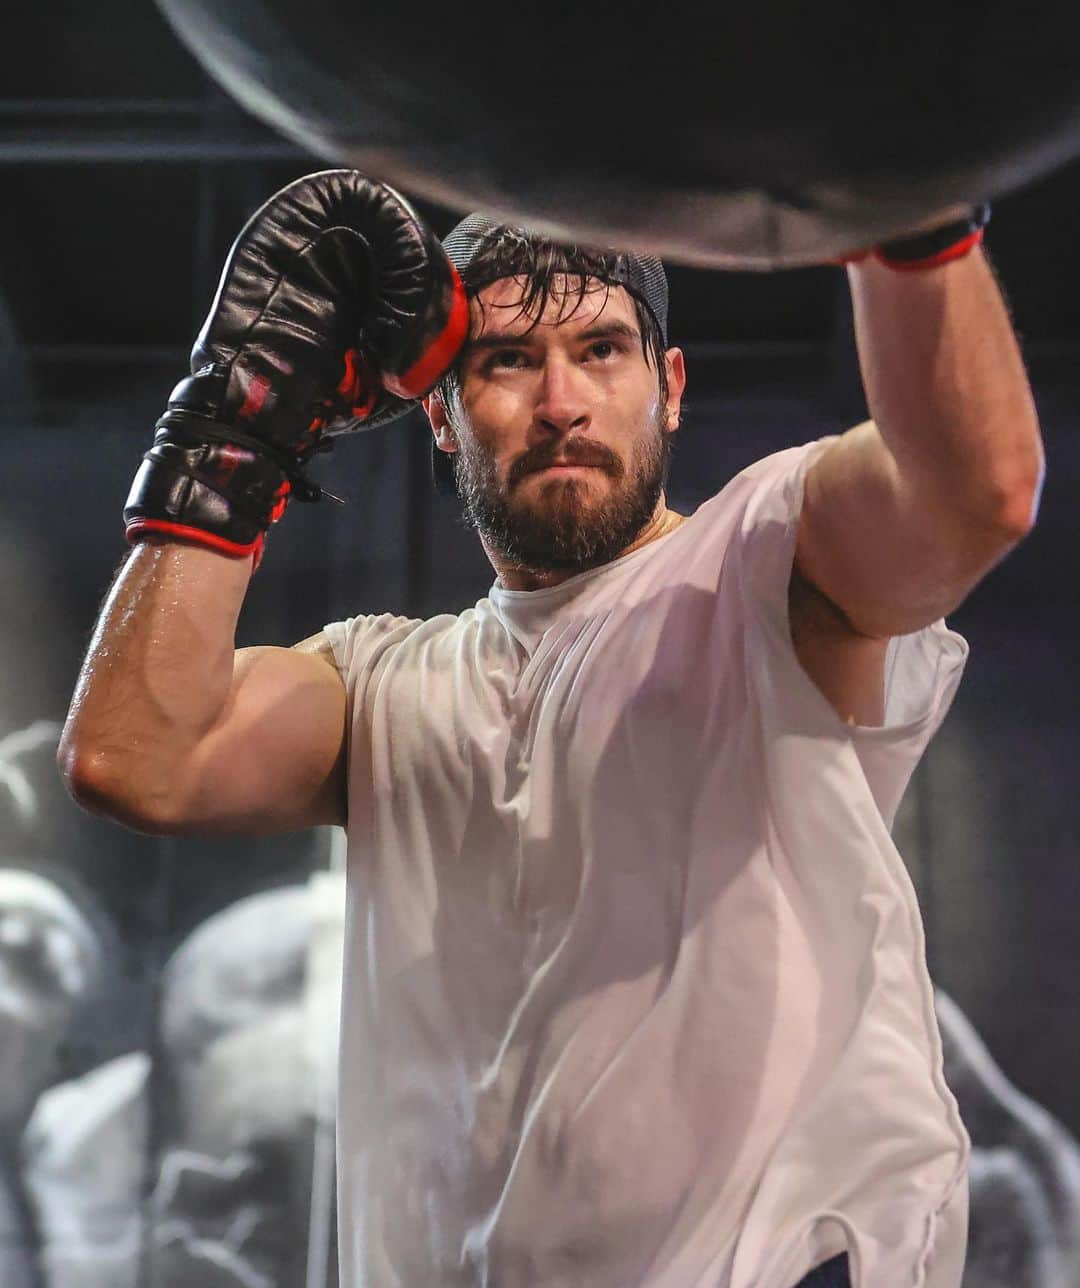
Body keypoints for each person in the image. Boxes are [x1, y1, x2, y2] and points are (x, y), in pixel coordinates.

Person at [57, 170, 1044, 1287]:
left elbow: (976, 494)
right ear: (438, 410)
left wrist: (907, 215)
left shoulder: (760, 568)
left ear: (669, 386)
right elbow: (134, 755)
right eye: (508, 360)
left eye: (603, 350)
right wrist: (233, 427)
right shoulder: (382, 680)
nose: (562, 400)